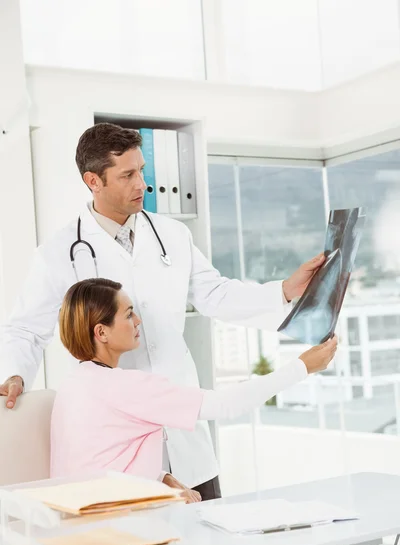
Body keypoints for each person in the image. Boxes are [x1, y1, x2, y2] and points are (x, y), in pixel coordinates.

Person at [0, 122, 327, 501]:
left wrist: (285, 290)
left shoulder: (172, 234)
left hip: (184, 430)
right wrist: (14, 374)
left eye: (142, 171)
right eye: (127, 175)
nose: (142, 184)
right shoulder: (58, 252)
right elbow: (26, 328)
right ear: (93, 181)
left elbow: (215, 295)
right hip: (120, 444)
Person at [44, 278, 337, 545]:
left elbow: (94, 462)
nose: (138, 321)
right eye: (128, 315)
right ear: (101, 333)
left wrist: (162, 478)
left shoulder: (74, 384)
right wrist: (301, 368)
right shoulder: (125, 386)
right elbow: (225, 405)